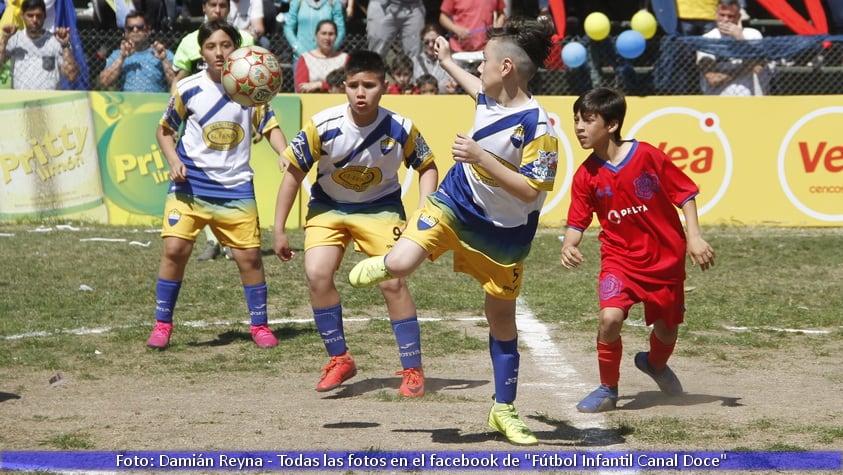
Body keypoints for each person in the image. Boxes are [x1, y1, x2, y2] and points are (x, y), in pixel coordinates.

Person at [348, 17, 558, 446]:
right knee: (402, 262)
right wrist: (445, 61)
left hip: (506, 233)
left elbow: (530, 188)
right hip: (454, 203)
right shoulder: (489, 96)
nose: (476, 67)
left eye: (482, 61)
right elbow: (471, 85)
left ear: (506, 70)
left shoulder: (540, 127)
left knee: (501, 320)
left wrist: (480, 156)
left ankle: (503, 409)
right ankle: (387, 261)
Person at [273, 50, 439, 397]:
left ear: (384, 87)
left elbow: (427, 167)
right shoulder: (322, 125)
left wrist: (424, 212)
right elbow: (292, 174)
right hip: (328, 208)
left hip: (381, 209)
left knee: (393, 283)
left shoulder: (401, 127)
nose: (360, 92)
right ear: (343, 86)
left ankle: (412, 367)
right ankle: (340, 359)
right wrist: (278, 229)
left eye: (369, 85)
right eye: (353, 85)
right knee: (317, 274)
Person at [559, 87, 715, 413]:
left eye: (588, 120)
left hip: (665, 257)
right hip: (619, 259)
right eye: (576, 120)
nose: (579, 128)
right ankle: (607, 388)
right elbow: (577, 221)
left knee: (667, 328)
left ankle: (654, 365)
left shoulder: (646, 156)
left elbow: (684, 193)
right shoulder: (585, 175)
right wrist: (568, 245)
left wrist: (694, 237)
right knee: (609, 319)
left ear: (612, 124)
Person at [147, 19, 288, 350]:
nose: (219, 52)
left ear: (236, 48)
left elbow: (270, 126)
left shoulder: (251, 88)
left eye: (226, 45)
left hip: (235, 187)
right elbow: (164, 130)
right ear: (201, 52)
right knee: (174, 250)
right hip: (191, 186)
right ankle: (162, 324)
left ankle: (260, 326)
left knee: (250, 259)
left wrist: (283, 153)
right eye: (211, 46)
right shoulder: (187, 88)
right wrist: (174, 161)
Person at [171, 0, 255, 87]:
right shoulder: (188, 42)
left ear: (229, 9)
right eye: (213, 5)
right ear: (204, 7)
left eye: (222, 6)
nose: (217, 10)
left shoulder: (246, 39)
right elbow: (178, 81)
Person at [695, 0, 770, 96]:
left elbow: (757, 67)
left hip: (748, 99)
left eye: (730, 16)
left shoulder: (752, 35)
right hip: (718, 99)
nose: (725, 20)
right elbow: (712, 79)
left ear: (738, 17)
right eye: (722, 15)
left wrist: (740, 39)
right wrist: (745, 69)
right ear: (716, 16)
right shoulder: (707, 38)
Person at [0, 0, 77, 90]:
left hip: (48, 101)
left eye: (38, 16)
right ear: (22, 16)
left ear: (45, 16)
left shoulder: (56, 42)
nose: (35, 20)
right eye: (30, 16)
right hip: (21, 101)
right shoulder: (14, 40)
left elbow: (71, 76)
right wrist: (4, 39)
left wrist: (65, 47)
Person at [99, 12, 175, 92]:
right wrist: (121, 58)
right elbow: (104, 81)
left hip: (156, 103)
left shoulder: (162, 53)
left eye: (140, 27)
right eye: (130, 28)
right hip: (126, 103)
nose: (135, 30)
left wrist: (164, 60)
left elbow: (177, 83)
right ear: (126, 32)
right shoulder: (117, 54)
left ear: (148, 30)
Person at [284, 0, 345, 66]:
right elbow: (288, 28)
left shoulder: (333, 3)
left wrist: (332, 48)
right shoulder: (297, 2)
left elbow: (340, 29)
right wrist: (297, 48)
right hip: (302, 57)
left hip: (326, 57)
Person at [294, 18, 348, 93]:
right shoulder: (306, 58)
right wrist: (330, 86)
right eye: (323, 33)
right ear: (316, 36)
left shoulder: (344, 58)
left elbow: (347, 84)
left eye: (331, 34)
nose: (327, 38)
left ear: (336, 37)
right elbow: (301, 87)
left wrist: (320, 85)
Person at [439, 0, 505, 53]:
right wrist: (456, 29)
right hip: (459, 51)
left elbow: (501, 14)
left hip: (485, 50)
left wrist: (497, 30)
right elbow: (443, 18)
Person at [412, 22, 454, 94]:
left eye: (434, 41)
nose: (431, 45)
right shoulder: (414, 62)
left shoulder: (450, 61)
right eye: (427, 42)